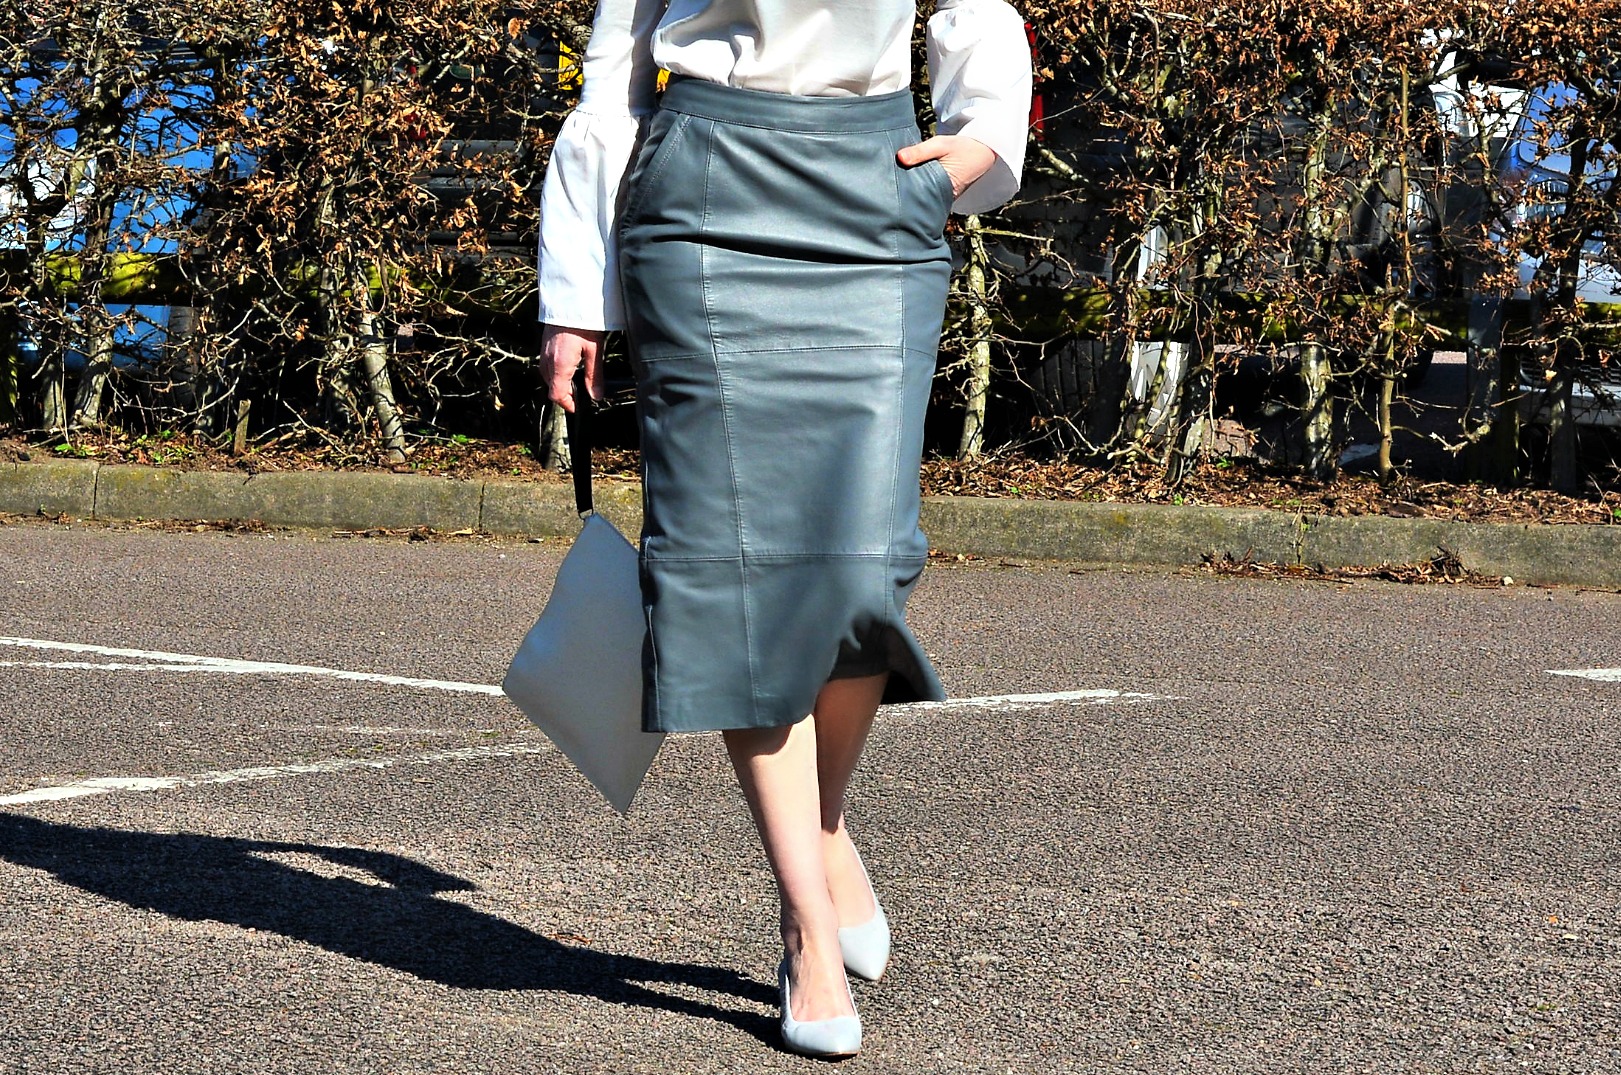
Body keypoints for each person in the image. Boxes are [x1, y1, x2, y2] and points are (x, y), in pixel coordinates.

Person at [537, 0, 1030, 1057]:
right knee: (729, 567)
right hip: (702, 190)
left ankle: (820, 825)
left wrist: (980, 139)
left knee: (865, 569)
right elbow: (616, 61)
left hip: (871, 188)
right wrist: (576, 294)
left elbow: (976, 9)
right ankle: (805, 923)